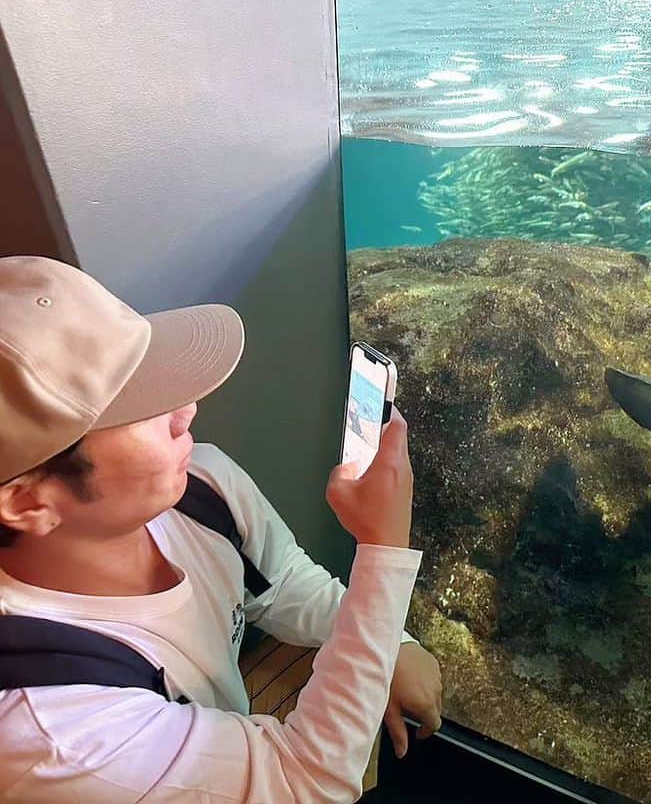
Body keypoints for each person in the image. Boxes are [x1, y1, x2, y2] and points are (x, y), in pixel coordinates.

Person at [0, 255, 442, 802]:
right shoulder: (53, 730)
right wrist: (383, 550)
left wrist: (390, 645)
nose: (185, 407)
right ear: (26, 502)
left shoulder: (202, 486)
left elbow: (280, 584)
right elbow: (306, 782)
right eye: (128, 406)